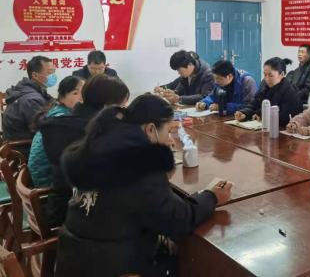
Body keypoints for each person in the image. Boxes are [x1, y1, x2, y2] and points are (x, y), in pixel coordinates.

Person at [56, 94, 233, 277]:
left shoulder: (101, 141)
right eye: (167, 132)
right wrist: (211, 196)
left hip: (72, 259)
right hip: (112, 266)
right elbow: (177, 219)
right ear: (150, 129)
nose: (169, 140)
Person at [41, 74, 130, 226]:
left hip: (59, 207)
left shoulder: (56, 125)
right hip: (86, 219)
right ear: (108, 107)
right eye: (122, 106)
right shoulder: (101, 132)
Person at [28, 76, 84, 188]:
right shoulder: (62, 119)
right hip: (48, 182)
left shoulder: (58, 111)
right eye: (76, 93)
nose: (82, 98)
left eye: (84, 93)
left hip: (46, 175)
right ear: (62, 96)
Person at [3, 56, 55, 156]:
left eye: (54, 72)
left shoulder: (31, 91)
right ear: (35, 75)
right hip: (25, 151)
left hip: (25, 146)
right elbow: (44, 129)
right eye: (50, 72)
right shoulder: (31, 99)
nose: (53, 76)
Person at [235, 58, 303, 126]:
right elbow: (253, 105)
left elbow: (284, 117)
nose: (266, 79)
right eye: (265, 75)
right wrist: (244, 113)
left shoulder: (290, 93)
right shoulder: (264, 88)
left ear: (281, 74)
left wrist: (260, 113)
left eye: (270, 75)